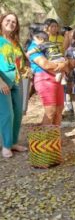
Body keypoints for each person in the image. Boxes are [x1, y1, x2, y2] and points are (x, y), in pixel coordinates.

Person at [0, 13, 28, 158]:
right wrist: (1, 82)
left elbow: (21, 61)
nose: (11, 23)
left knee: (18, 113)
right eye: (8, 20)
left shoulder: (16, 42)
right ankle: (5, 145)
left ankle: (13, 142)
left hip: (17, 80)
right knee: (7, 114)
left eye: (14, 22)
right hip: (2, 81)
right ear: (1, 22)